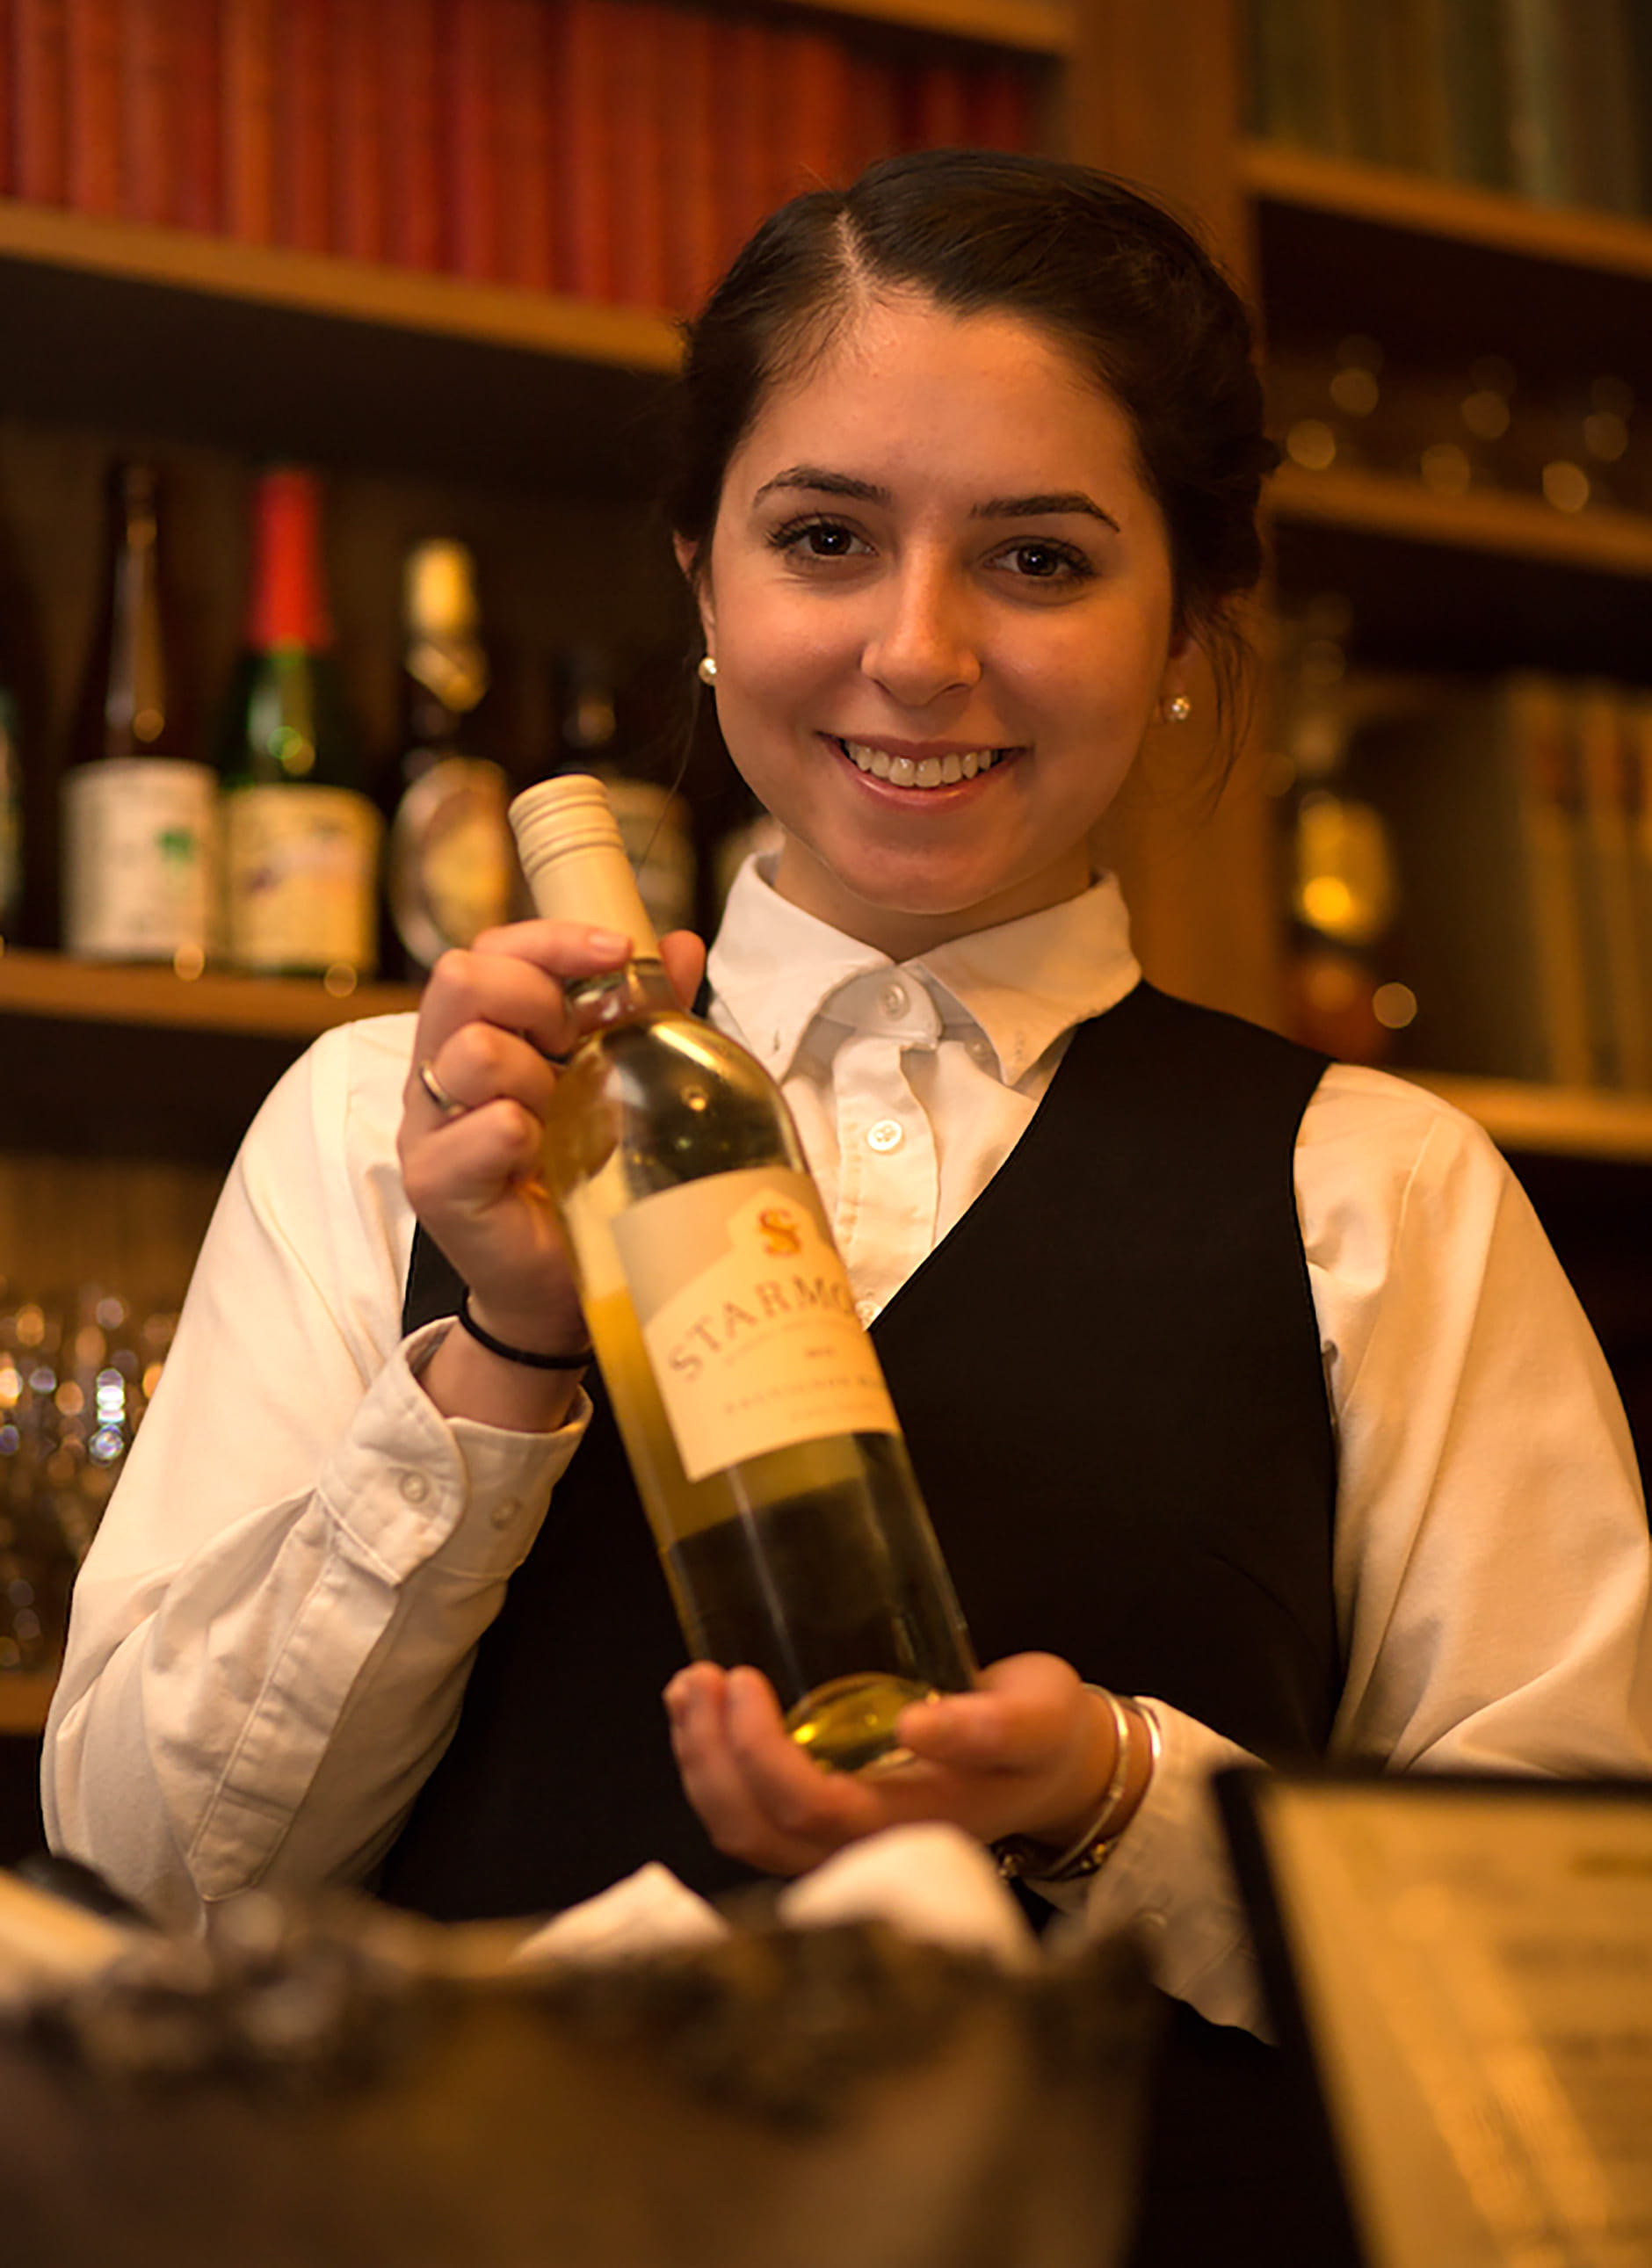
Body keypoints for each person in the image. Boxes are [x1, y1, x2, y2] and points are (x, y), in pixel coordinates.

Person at [43, 152, 1651, 2260]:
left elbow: (1574, 1978)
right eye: (824, 538)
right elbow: (158, 1889)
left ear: (1189, 621)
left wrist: (1115, 1798)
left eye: (1040, 559)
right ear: (701, 580)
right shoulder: (381, 1123)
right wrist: (505, 1354)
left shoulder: (1378, 1187)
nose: (918, 650)